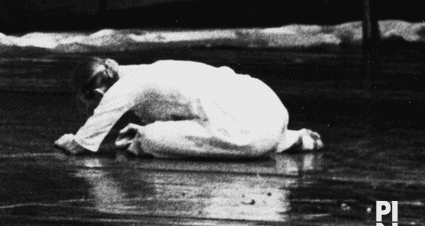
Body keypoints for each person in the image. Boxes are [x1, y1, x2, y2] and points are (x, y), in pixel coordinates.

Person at [54, 57, 324, 158]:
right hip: (270, 110)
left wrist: (70, 141)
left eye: (91, 102)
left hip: (248, 132)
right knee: (210, 111)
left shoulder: (126, 86)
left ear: (99, 91)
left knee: (148, 138)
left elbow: (85, 144)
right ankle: (291, 138)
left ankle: (275, 141)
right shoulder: (151, 69)